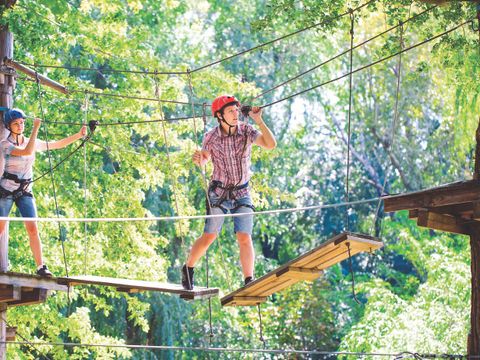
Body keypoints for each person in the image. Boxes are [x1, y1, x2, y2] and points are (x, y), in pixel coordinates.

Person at [182, 95, 276, 290]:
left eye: (236, 110)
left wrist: (259, 120)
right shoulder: (211, 137)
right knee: (209, 236)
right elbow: (205, 158)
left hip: (242, 192)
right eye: (230, 111)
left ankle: (249, 279)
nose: (235, 114)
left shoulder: (247, 131)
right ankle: (188, 268)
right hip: (219, 193)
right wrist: (200, 159)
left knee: (244, 236)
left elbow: (270, 144)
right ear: (220, 116)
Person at [0, 109, 87, 277]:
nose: (20, 126)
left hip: (25, 190)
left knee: (33, 228)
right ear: (9, 126)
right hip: (7, 190)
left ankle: (41, 266)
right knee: (0, 228)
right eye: (16, 124)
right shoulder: (5, 144)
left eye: (22, 122)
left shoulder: (31, 141)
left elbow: (57, 144)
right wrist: (35, 128)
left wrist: (79, 135)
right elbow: (25, 151)